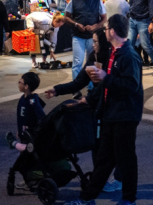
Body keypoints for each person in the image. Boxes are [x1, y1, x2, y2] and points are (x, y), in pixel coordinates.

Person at [64, 14, 143, 205]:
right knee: (104, 160)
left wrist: (105, 78)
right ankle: (87, 198)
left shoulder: (128, 55)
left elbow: (131, 85)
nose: (105, 31)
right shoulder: (116, 52)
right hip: (112, 114)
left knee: (125, 160)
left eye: (107, 28)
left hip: (125, 115)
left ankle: (128, 199)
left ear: (112, 32)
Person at [46, 29, 122, 194]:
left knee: (113, 146)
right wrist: (56, 90)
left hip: (112, 109)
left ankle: (115, 180)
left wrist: (88, 99)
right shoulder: (92, 60)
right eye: (93, 41)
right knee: (98, 145)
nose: (93, 45)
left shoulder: (111, 59)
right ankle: (103, 180)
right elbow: (77, 83)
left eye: (96, 42)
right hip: (97, 109)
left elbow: (105, 87)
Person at [6, 72, 46, 193]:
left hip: (31, 136)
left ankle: (31, 179)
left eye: (20, 82)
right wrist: (19, 129)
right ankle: (30, 179)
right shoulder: (23, 99)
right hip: (24, 134)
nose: (18, 83)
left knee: (27, 157)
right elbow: (20, 117)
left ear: (26, 86)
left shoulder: (32, 100)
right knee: (27, 157)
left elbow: (41, 116)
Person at [64, 0, 107, 81]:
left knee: (92, 62)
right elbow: (66, 17)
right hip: (78, 36)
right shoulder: (74, 1)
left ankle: (91, 88)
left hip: (93, 37)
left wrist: (94, 26)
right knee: (77, 62)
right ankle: (76, 88)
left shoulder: (97, 0)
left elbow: (104, 18)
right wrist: (76, 24)